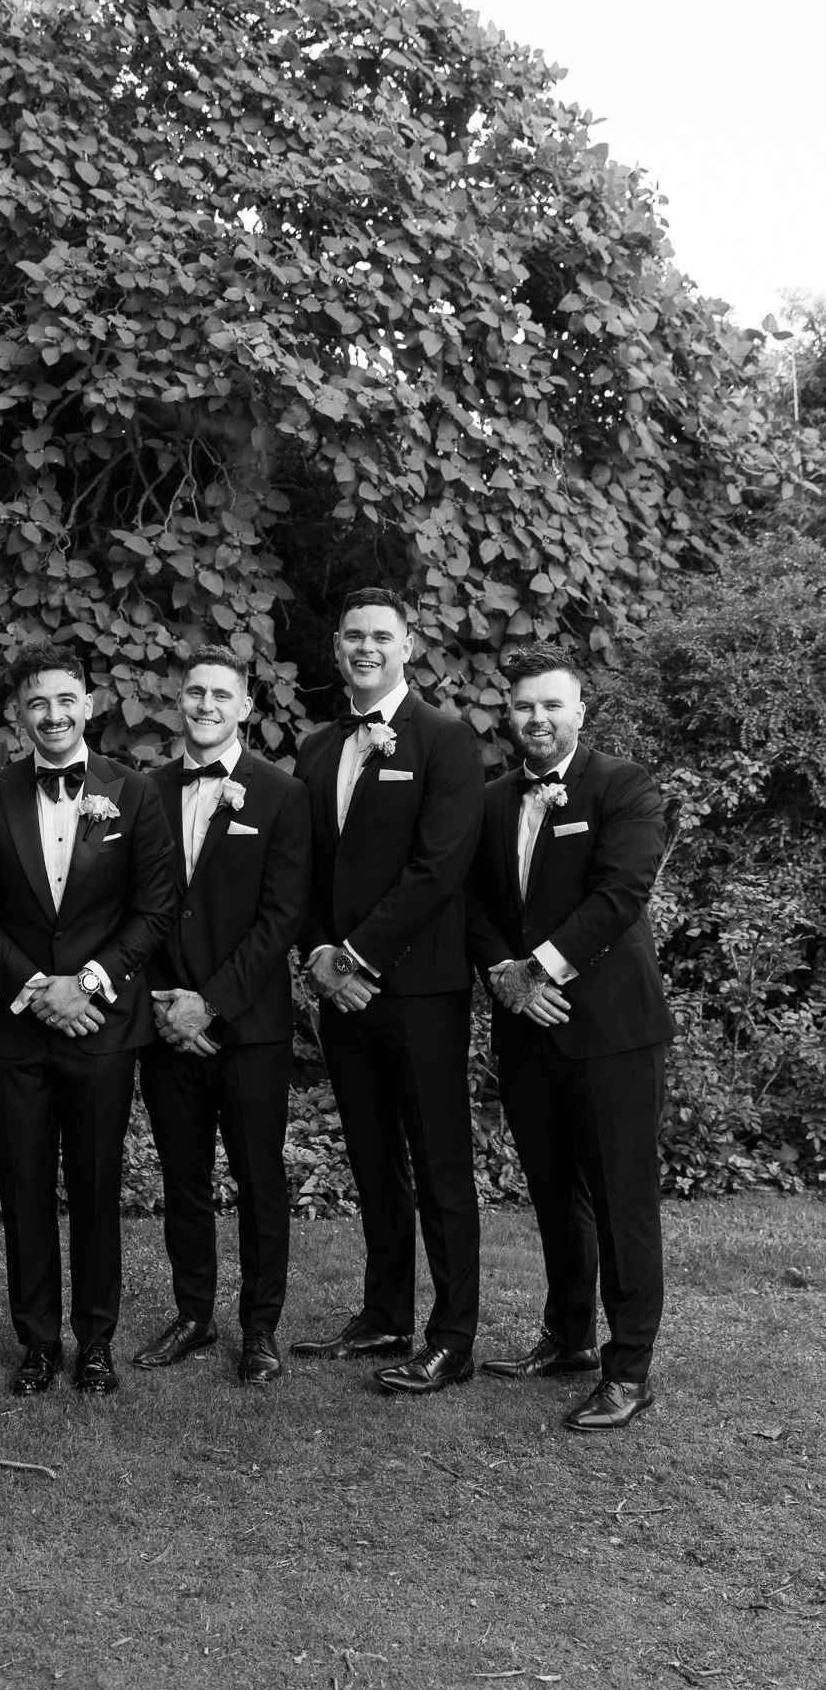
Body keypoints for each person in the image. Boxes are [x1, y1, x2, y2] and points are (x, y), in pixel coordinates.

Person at [0, 642, 175, 1398]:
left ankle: (97, 1342)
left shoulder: (133, 793)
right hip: (14, 1026)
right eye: (36, 703)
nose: (52, 714)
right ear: (19, 714)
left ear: (89, 704)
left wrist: (86, 983)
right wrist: (36, 988)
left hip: (102, 1026)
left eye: (65, 699)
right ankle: (38, 1342)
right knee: (22, 1187)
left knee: (95, 1183)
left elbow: (153, 910)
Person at [467, 643, 673, 1431]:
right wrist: (502, 974)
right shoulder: (490, 801)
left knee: (621, 1201)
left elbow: (620, 892)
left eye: (551, 704)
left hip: (609, 1030)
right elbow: (475, 906)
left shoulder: (623, 786)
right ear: (508, 714)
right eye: (523, 706)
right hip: (527, 1030)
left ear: (578, 710)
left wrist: (539, 971)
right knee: (554, 1193)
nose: (536, 719)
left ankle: (629, 1370)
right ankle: (567, 1338)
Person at [290, 587, 485, 1396]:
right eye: (351, 637)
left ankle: (452, 1336)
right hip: (342, 991)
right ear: (336, 649)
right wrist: (318, 959)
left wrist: (357, 957)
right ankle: (382, 1314)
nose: (364, 648)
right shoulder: (314, 746)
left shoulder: (446, 740)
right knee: (372, 1158)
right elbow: (299, 867)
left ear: (407, 646)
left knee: (438, 1165)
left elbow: (438, 868)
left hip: (418, 989)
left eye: (380, 636)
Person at [135, 646, 311, 1385]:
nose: (204, 705)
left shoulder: (279, 793)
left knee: (257, 1179)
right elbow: (133, 907)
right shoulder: (143, 790)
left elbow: (280, 918)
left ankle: (259, 1328)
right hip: (165, 1022)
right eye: (193, 693)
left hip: (247, 1028)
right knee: (182, 1179)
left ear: (243, 708)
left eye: (219, 695)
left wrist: (211, 1002)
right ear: (180, 704)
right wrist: (169, 1004)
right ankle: (193, 1314)